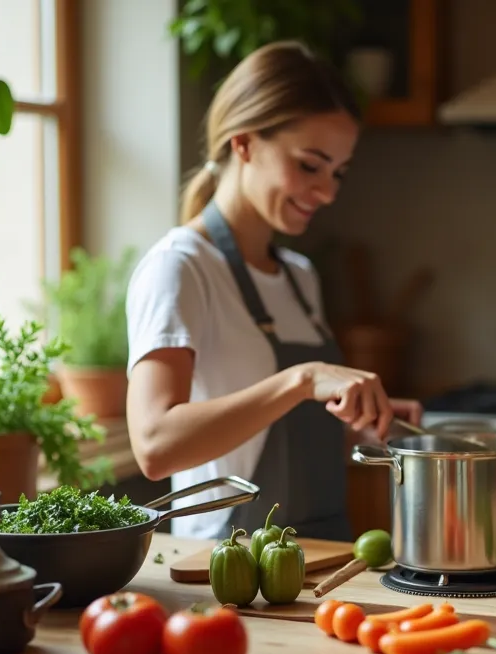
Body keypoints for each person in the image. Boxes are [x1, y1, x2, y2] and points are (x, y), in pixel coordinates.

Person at [124, 41, 421, 542]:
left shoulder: (300, 277)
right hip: (225, 564)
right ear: (244, 144)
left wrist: (359, 422)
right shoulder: (180, 268)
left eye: (338, 172)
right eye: (309, 165)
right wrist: (302, 380)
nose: (328, 192)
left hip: (322, 554)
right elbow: (155, 447)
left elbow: (276, 434)